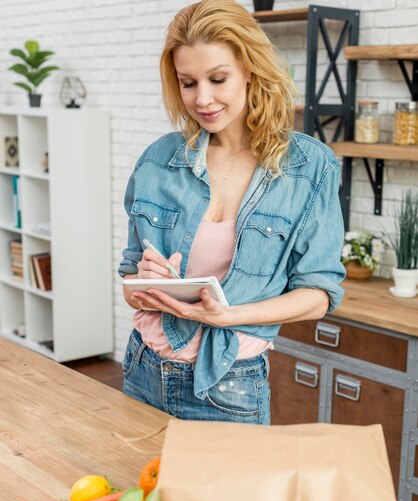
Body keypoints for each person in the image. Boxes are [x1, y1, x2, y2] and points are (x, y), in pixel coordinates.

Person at [118, 0, 345, 425]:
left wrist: (227, 316)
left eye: (217, 78)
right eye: (188, 83)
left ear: (250, 71)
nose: (202, 99)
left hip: (230, 385)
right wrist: (145, 283)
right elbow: (129, 287)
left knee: (225, 496)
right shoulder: (158, 160)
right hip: (142, 368)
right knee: (135, 493)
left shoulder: (309, 168)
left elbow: (318, 295)